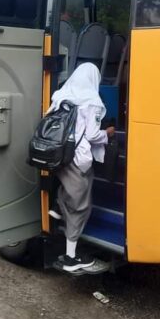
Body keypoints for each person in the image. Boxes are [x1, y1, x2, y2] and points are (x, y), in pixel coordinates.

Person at [48, 62, 115, 272]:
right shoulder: (92, 101)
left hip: (59, 155)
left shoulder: (61, 94)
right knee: (81, 206)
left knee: (68, 190)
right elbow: (93, 135)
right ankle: (70, 258)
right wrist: (108, 133)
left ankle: (58, 208)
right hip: (78, 159)